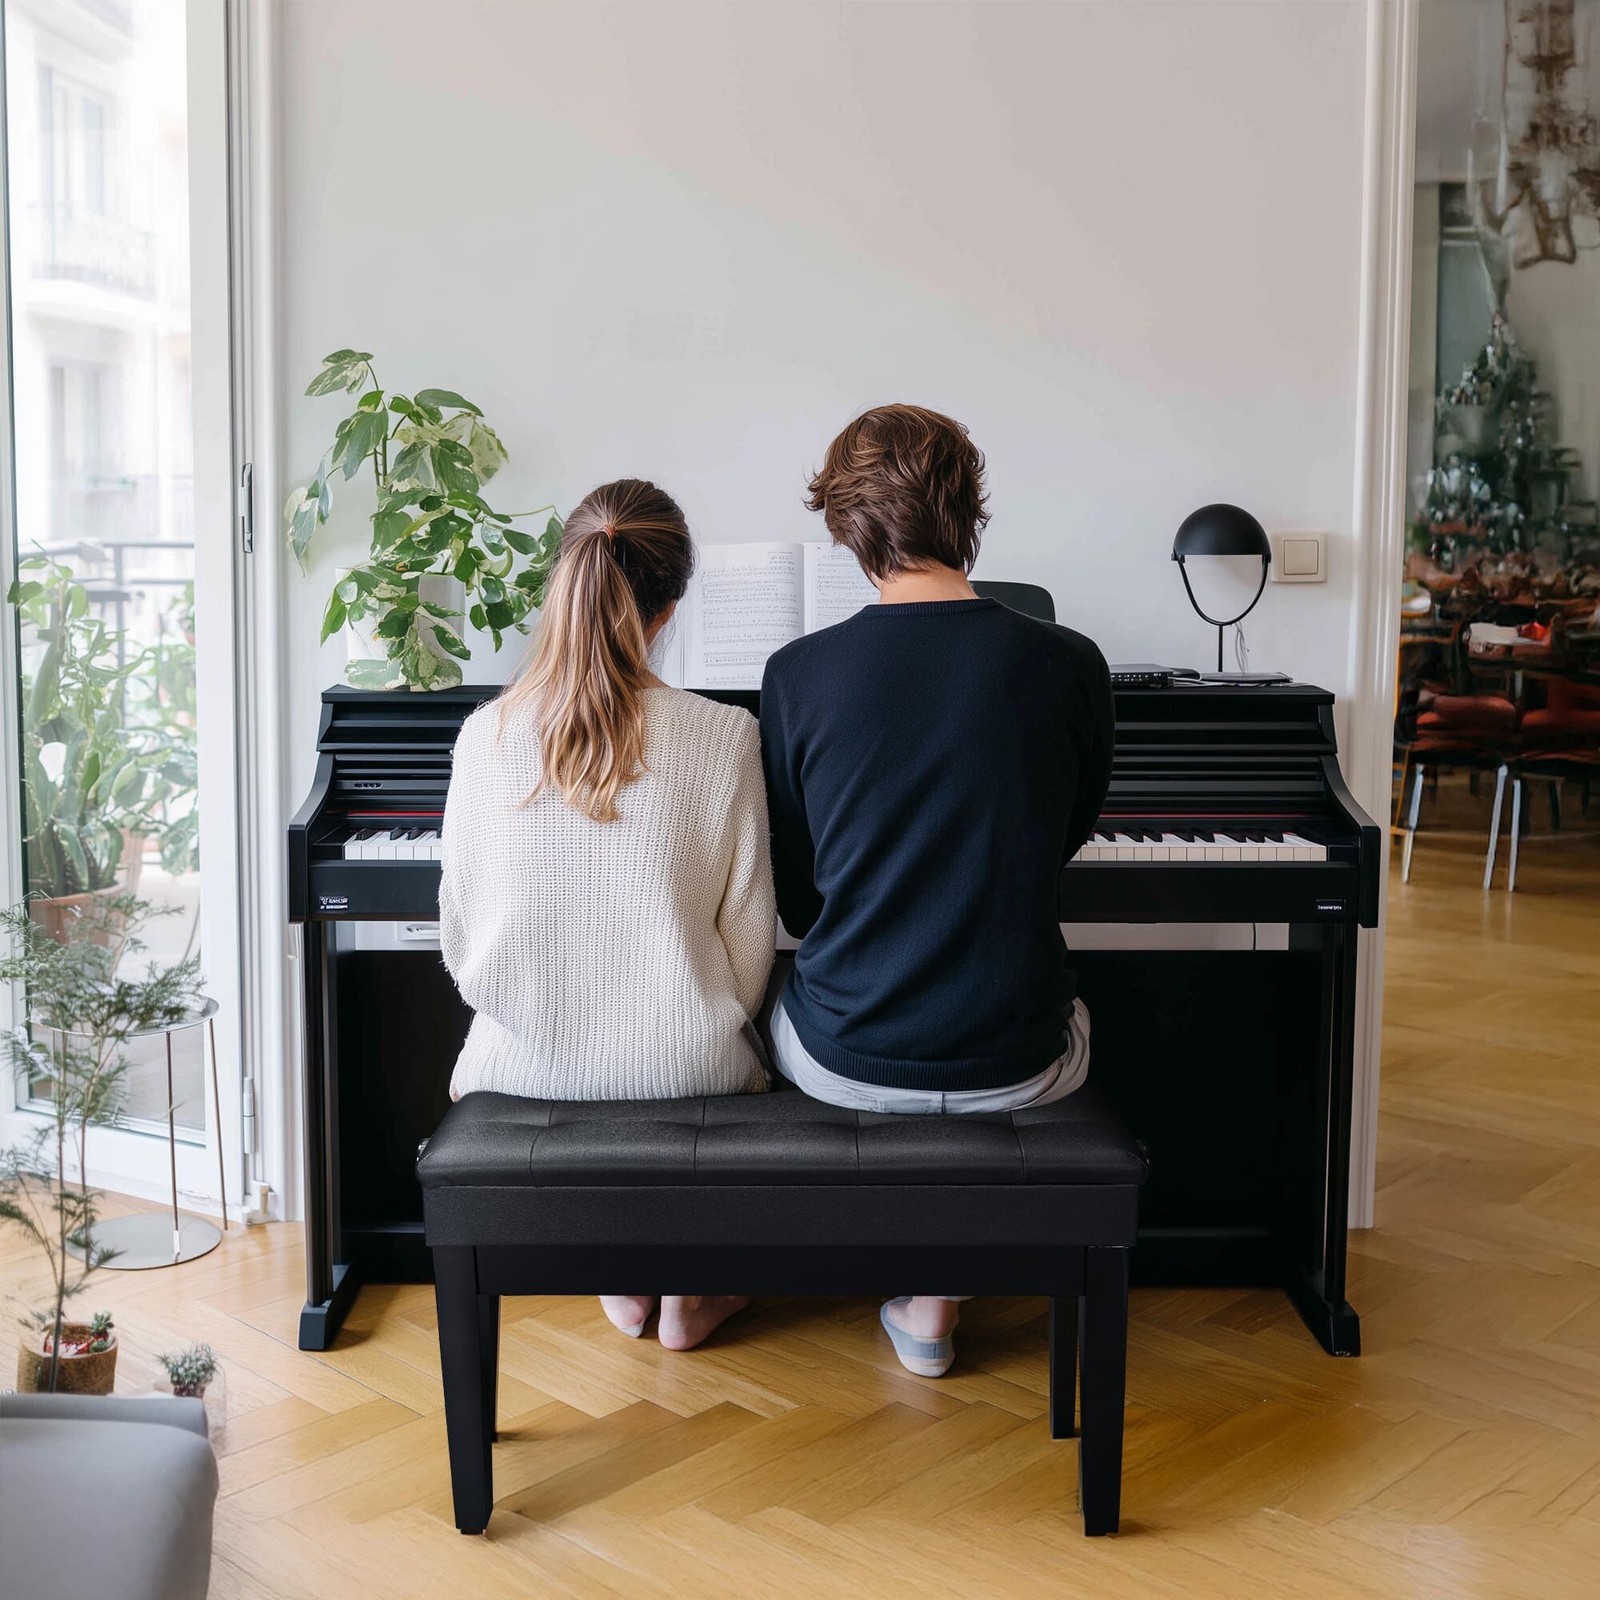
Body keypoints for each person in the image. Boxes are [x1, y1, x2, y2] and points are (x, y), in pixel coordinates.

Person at [760, 404, 1114, 1377]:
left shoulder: (795, 676)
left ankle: (742, 1262)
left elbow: (799, 905)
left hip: (847, 1058)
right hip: (1020, 1059)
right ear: (970, 508)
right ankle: (936, 1295)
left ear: (845, 523)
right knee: (1084, 1001)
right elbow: (1067, 835)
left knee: (755, 997)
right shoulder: (1069, 662)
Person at [439, 479, 774, 1352]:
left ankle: (619, 1274)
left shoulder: (484, 735)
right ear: (669, 609)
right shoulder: (725, 735)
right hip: (687, 1065)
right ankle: (691, 1296)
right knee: (760, 1055)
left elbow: (462, 943)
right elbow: (748, 953)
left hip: (523, 1066)